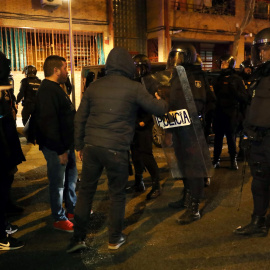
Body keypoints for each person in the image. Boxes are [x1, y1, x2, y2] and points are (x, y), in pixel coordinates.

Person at [66, 47, 168, 253]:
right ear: (127, 66)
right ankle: (114, 238)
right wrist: (161, 99)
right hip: (116, 149)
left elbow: (79, 118)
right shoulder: (134, 87)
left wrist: (79, 145)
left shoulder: (94, 87)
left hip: (92, 147)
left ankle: (78, 238)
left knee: (85, 193)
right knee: (116, 195)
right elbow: (159, 109)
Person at [160, 44, 214, 224]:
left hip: (191, 129)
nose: (176, 61)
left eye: (180, 57)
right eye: (174, 57)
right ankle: (186, 197)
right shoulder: (175, 76)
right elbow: (173, 103)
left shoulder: (196, 76)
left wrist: (199, 119)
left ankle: (194, 207)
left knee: (194, 168)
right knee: (183, 165)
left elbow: (204, 102)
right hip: (178, 128)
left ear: (188, 58)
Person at [234, 27, 270, 237]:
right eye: (260, 50)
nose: (262, 54)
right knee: (259, 183)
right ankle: (258, 222)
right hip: (258, 138)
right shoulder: (260, 75)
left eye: (266, 49)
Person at [35, 55, 77, 233]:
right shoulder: (47, 91)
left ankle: (72, 210)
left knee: (71, 179)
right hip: (56, 148)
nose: (67, 71)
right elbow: (49, 124)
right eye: (65, 68)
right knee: (58, 183)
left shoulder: (56, 88)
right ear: (56, 70)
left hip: (66, 145)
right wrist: (60, 150)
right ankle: (59, 218)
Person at [0, 51, 25, 250]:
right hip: (1, 148)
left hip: (6, 145)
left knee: (6, 182)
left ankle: (5, 218)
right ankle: (1, 237)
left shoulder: (4, 86)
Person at [127, 54, 162, 199]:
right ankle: (139, 181)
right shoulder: (133, 80)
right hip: (133, 122)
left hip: (144, 123)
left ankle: (156, 185)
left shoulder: (150, 81)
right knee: (135, 155)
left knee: (146, 155)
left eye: (138, 67)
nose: (136, 69)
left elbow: (154, 103)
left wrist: (146, 120)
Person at [212, 54, 248, 170]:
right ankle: (216, 160)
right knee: (218, 138)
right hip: (219, 111)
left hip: (231, 112)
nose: (222, 65)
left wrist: (234, 92)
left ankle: (233, 160)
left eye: (225, 63)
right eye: (221, 63)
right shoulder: (219, 78)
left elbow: (244, 97)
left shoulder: (236, 79)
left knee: (231, 137)